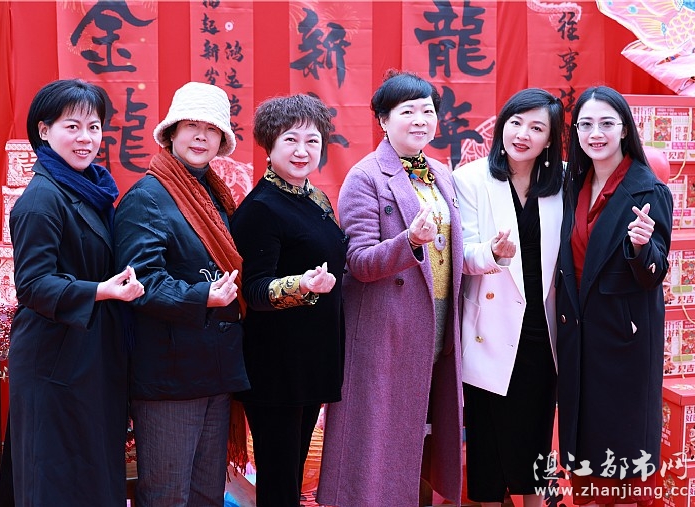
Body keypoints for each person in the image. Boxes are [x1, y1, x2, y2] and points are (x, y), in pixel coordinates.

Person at [317, 70, 463, 507]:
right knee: (374, 444)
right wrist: (409, 242)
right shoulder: (365, 176)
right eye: (407, 111)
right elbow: (358, 262)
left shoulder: (441, 173)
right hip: (385, 329)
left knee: (423, 437)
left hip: (437, 323)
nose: (420, 120)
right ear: (383, 120)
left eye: (428, 111)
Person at [8, 78, 145, 507]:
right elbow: (33, 285)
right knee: (57, 478)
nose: (86, 138)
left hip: (89, 354)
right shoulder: (42, 199)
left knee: (92, 471)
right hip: (55, 360)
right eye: (72, 127)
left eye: (94, 127)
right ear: (44, 131)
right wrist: (101, 290)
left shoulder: (91, 189)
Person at [114, 82, 250, 507]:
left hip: (215, 369)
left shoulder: (213, 193)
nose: (200, 137)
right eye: (191, 126)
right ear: (171, 132)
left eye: (211, 129)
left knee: (207, 494)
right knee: (167, 495)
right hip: (170, 376)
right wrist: (202, 296)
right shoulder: (147, 197)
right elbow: (140, 283)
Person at [556, 85, 673, 505]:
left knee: (623, 457)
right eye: (585, 124)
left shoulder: (648, 189)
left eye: (606, 123)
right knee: (585, 450)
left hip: (624, 341)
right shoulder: (574, 183)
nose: (595, 133)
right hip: (579, 335)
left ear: (624, 129)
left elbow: (655, 272)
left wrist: (641, 247)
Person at [230, 94, 347, 507]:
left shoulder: (314, 198)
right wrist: (301, 285)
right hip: (276, 367)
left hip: (312, 360)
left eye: (312, 141)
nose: (302, 151)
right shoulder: (261, 208)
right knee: (279, 482)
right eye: (291, 140)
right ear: (269, 144)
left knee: (292, 478)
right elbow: (253, 289)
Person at [452, 88, 564, 507]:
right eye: (516, 122)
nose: (522, 134)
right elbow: (462, 255)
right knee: (487, 439)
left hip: (542, 326)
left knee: (537, 434)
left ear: (550, 139)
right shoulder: (470, 178)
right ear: (502, 125)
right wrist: (493, 253)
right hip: (490, 323)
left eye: (536, 128)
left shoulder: (563, 181)